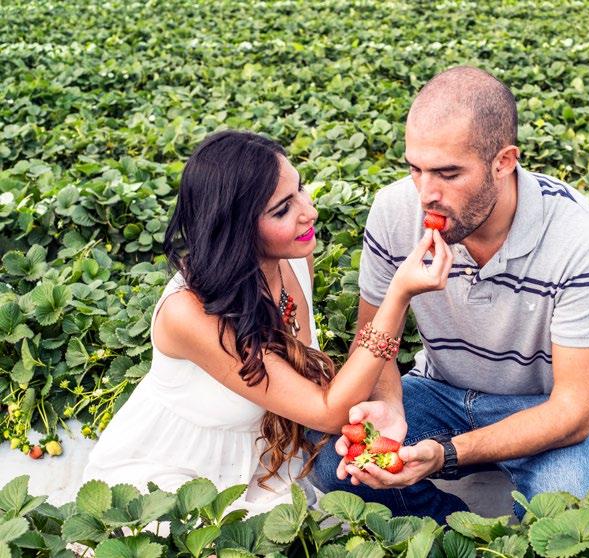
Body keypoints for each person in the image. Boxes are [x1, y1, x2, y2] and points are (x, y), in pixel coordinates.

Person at [308, 67, 589, 523]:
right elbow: (373, 340)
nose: (426, 194)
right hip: (439, 391)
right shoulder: (394, 210)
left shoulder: (582, 237)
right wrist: (390, 405)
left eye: (448, 173)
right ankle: (460, 535)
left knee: (569, 506)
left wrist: (446, 454)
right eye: (415, 169)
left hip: (541, 407)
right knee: (333, 462)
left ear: (504, 161)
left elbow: (577, 410)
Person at [83, 130, 453, 514]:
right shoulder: (187, 312)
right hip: (178, 470)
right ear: (235, 227)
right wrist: (398, 296)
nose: (309, 212)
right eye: (282, 210)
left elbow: (310, 377)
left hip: (266, 457)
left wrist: (381, 405)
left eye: (301, 189)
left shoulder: (294, 256)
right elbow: (328, 410)